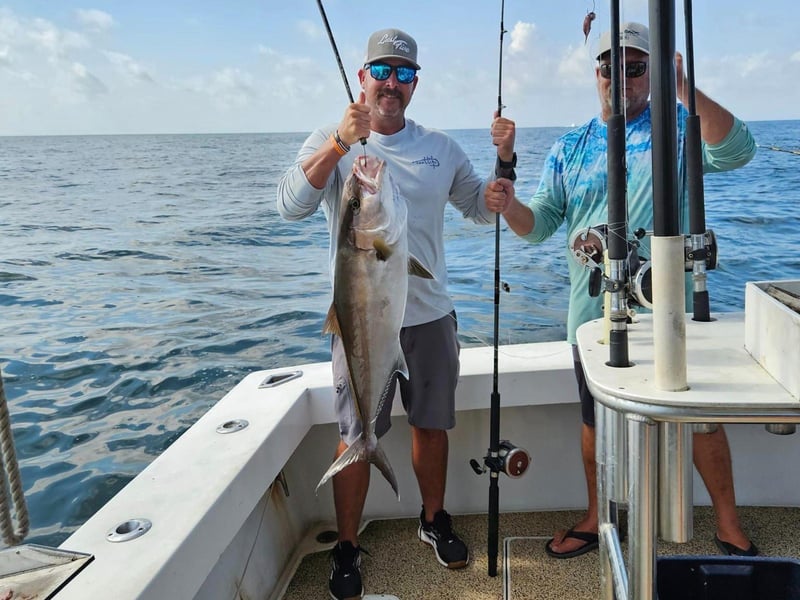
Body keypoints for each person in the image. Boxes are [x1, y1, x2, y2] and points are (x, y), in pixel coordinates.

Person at [484, 21, 758, 559]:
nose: (621, 77)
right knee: (595, 421)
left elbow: (738, 151)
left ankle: (728, 523)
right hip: (590, 316)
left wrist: (685, 89)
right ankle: (599, 513)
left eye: (636, 67)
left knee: (700, 418)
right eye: (611, 66)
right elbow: (539, 224)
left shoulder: (680, 128)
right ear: (597, 73)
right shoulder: (570, 145)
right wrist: (508, 203)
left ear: (651, 73)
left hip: (668, 309)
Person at [277, 28, 516, 599]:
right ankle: (348, 546)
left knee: (432, 425)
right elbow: (288, 205)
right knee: (356, 429)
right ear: (362, 78)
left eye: (403, 74)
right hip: (358, 316)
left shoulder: (441, 149)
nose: (391, 82)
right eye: (381, 71)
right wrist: (339, 141)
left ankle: (432, 521)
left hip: (431, 315)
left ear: (414, 84)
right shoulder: (334, 143)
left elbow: (482, 209)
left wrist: (504, 165)